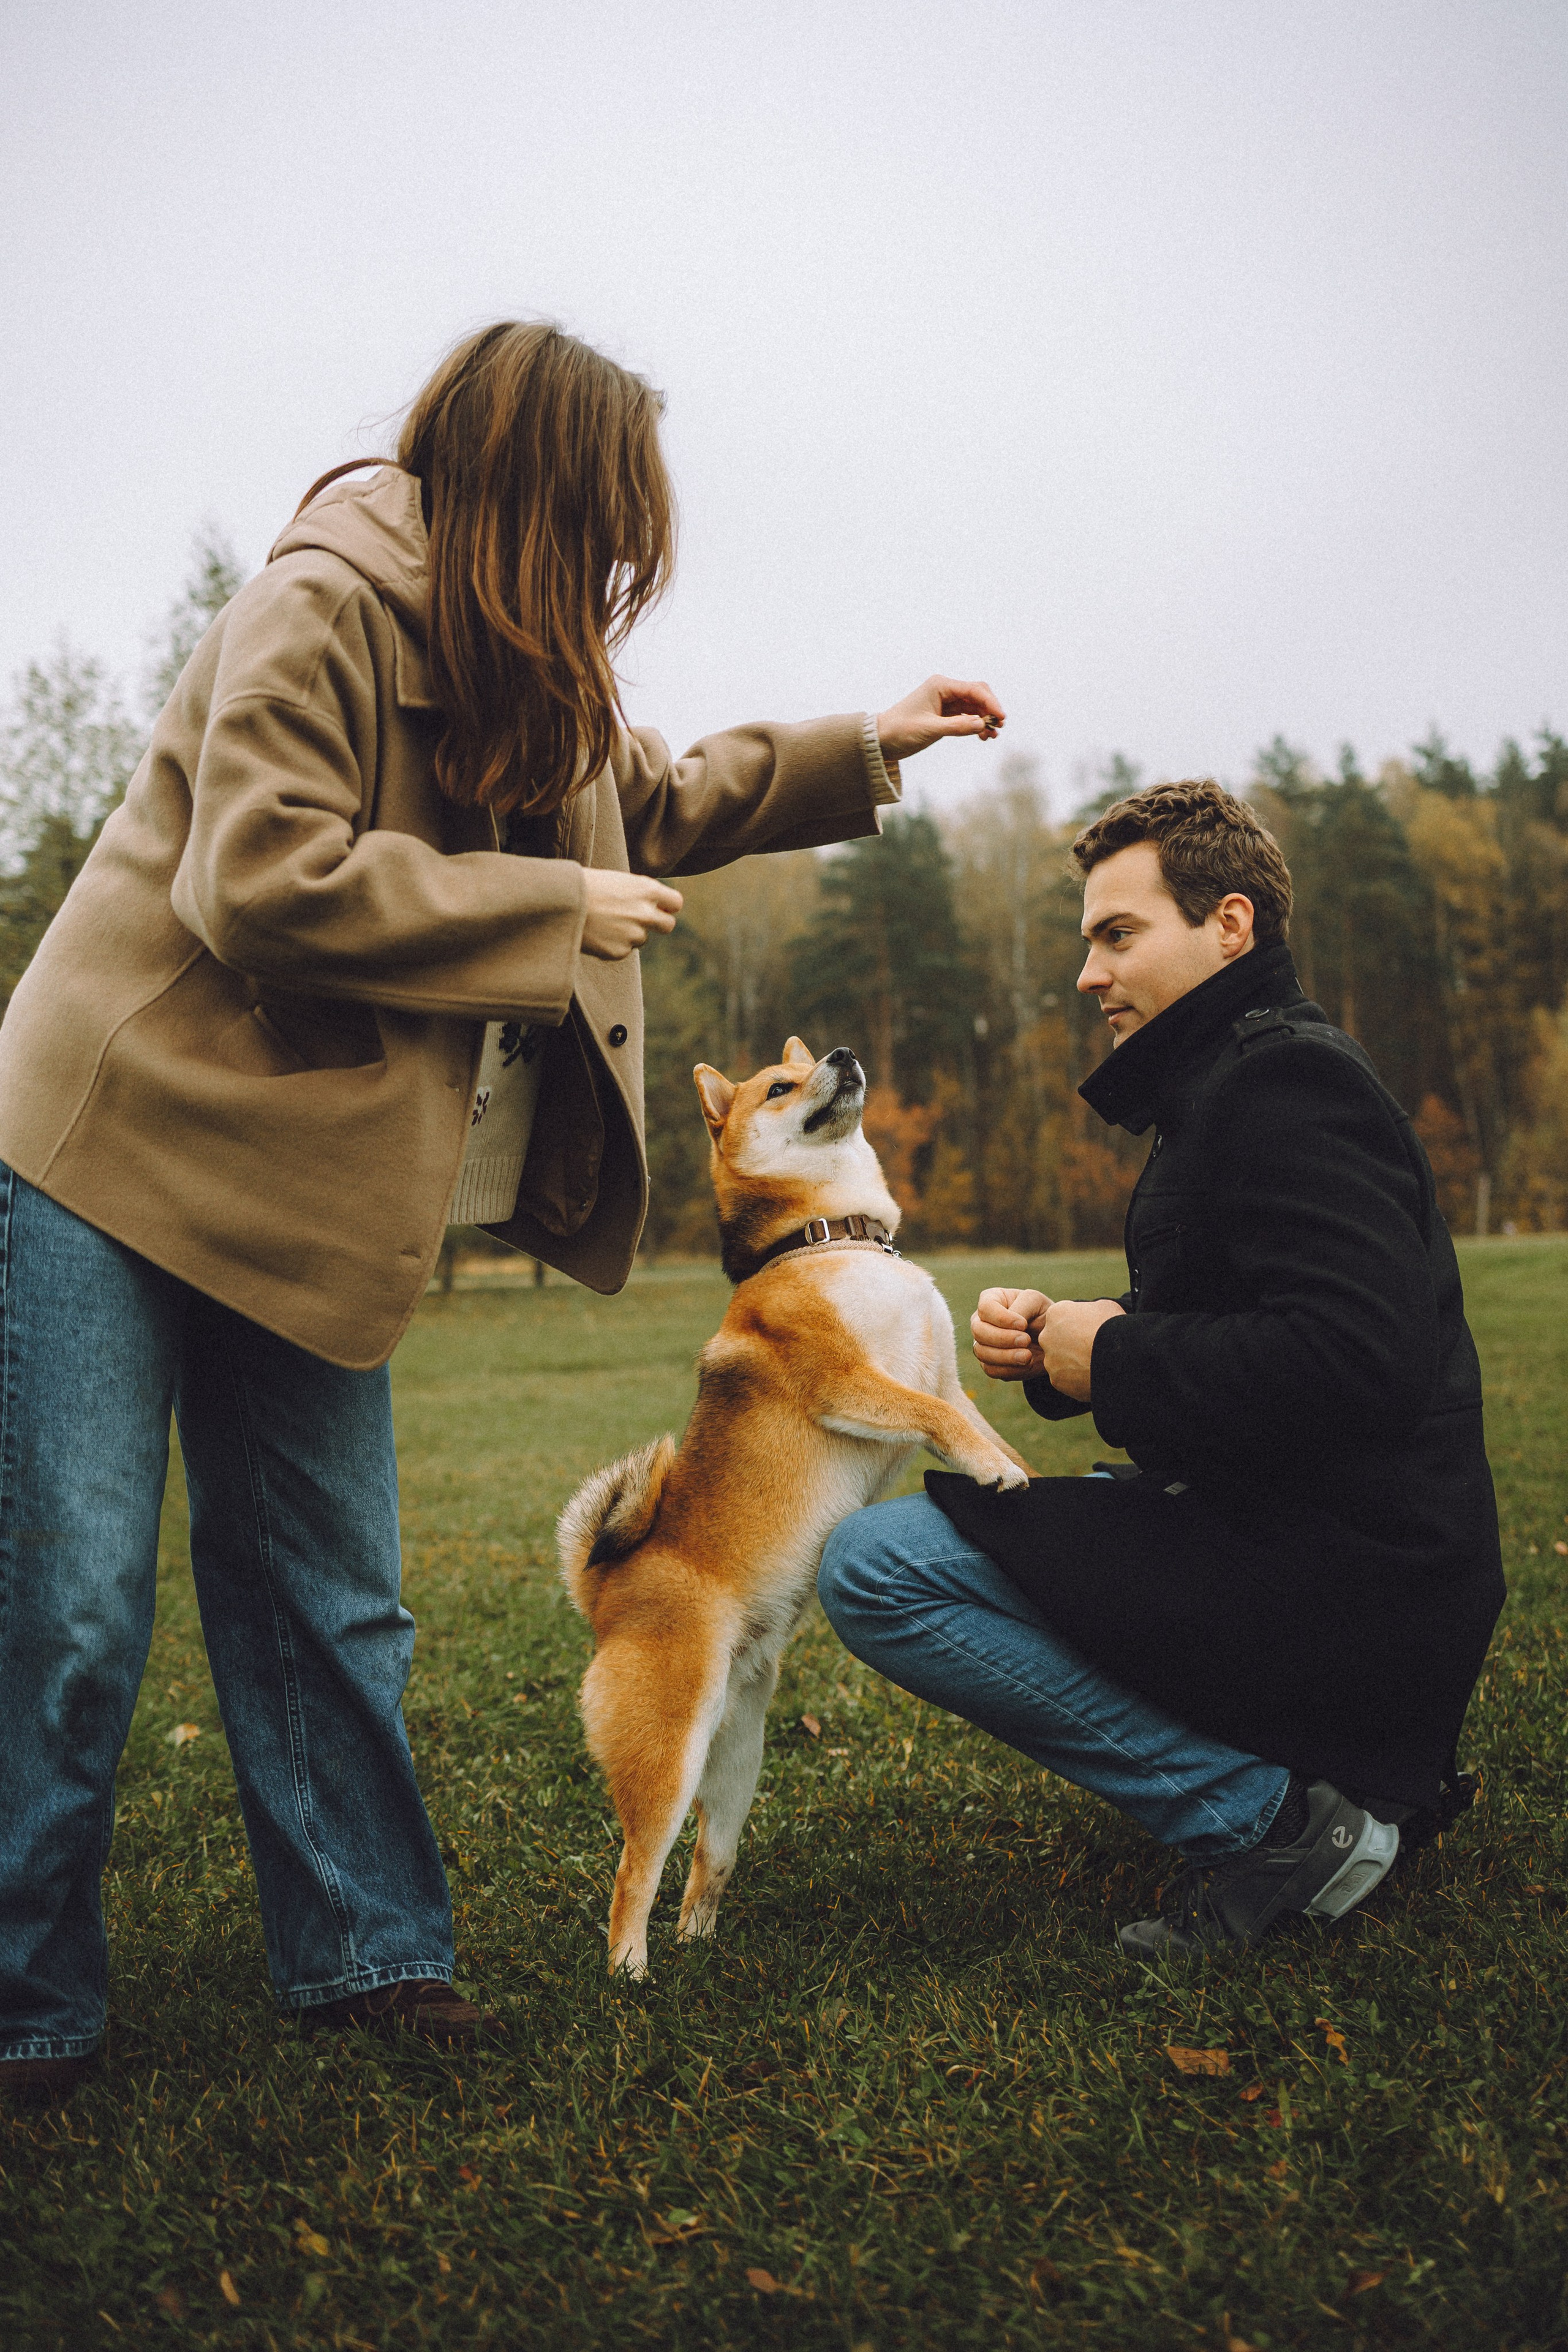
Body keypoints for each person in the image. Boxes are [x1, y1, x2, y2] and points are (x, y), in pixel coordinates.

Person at [0, 321, 1006, 2100]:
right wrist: (544, 910)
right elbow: (258, 872)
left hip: (306, 1184)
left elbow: (659, 800)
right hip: (113, 1146)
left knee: (331, 1590)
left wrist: (868, 743)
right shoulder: (322, 600)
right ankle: (28, 2005)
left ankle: (368, 1958)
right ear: (531, 497)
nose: (620, 571)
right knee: (73, 1606)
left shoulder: (524, 656)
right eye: (607, 529)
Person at [819, 780, 1503, 1957]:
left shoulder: (1288, 1086)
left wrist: (1118, 1353)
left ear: (1229, 925)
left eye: (1118, 935)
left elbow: (1359, 1361)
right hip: (1295, 1539)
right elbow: (1258, 1321)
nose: (1089, 973)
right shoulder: (1228, 1083)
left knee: (877, 1566)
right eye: (1091, 939)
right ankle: (1303, 1775)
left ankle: (1277, 1824)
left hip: (1354, 1588)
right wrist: (1067, 1347)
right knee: (1002, 1525)